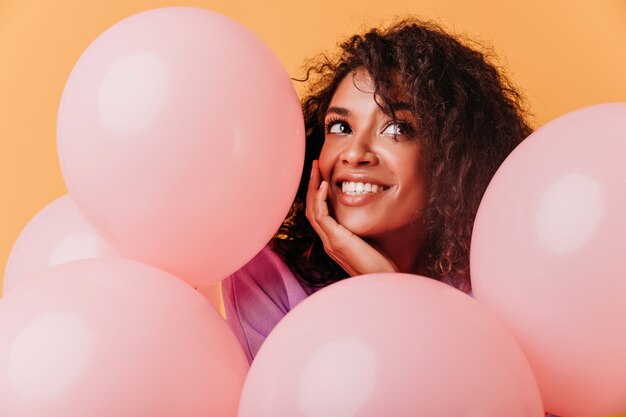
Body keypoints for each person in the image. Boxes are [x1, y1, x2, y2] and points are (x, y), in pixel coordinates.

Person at [221, 17, 532, 364]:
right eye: (340, 126)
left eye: (397, 128)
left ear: (452, 155)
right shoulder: (270, 273)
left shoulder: (498, 288)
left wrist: (388, 286)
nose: (354, 153)